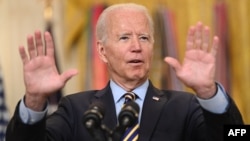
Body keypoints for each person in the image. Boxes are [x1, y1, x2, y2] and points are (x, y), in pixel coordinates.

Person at [6, 3, 243, 141]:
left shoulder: (185, 107)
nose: (136, 46)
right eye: (124, 38)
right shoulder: (76, 110)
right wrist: (35, 101)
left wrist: (209, 94)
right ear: (102, 51)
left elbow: (237, 135)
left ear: (153, 46)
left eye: (144, 37)